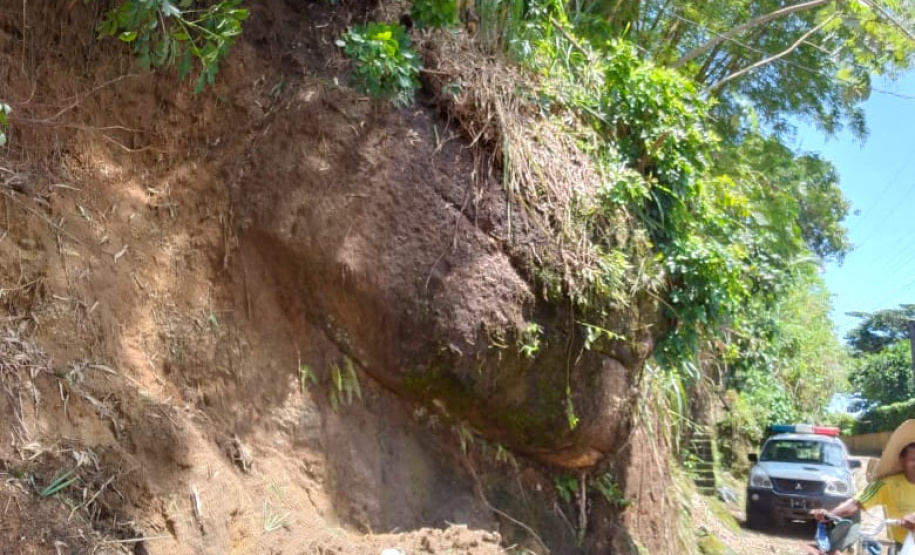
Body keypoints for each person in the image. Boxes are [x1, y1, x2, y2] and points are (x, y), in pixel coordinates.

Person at [811, 419, 915, 553]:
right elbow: (855, 504)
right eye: (913, 460)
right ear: (902, 460)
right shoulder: (887, 485)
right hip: (903, 547)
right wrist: (828, 515)